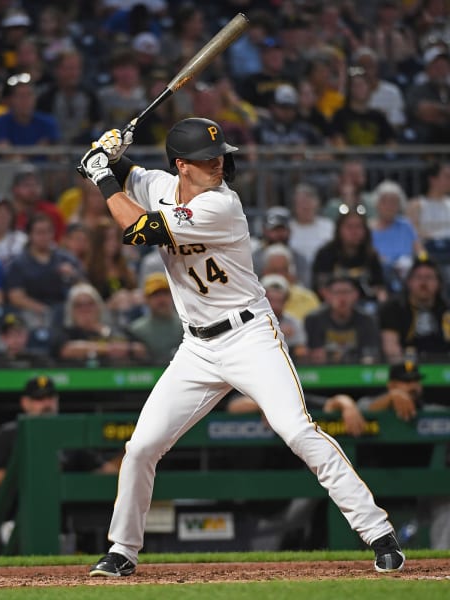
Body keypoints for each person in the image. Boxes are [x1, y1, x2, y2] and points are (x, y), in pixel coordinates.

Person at [78, 116, 405, 576]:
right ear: (180, 165)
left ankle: (379, 533)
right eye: (206, 158)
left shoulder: (221, 205)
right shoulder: (157, 184)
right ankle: (122, 550)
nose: (218, 163)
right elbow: (126, 175)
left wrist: (100, 173)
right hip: (196, 347)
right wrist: (111, 153)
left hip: (250, 336)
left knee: (296, 430)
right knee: (141, 447)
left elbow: (139, 231)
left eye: (219, 155)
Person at [0, 375, 121, 554]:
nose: (46, 404)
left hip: (63, 529)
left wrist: (132, 449)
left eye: (50, 398)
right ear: (25, 402)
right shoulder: (8, 435)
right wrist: (35, 469)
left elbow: (105, 472)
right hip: (15, 526)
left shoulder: (68, 433)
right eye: (39, 399)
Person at [357, 360, 450, 549]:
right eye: (406, 382)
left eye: (416, 381)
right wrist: (391, 397)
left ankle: (440, 561)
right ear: (391, 385)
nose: (413, 386)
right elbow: (360, 410)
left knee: (445, 497)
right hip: (376, 487)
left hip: (423, 490)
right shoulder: (371, 404)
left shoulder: (432, 411)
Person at [50, 282, 147, 366]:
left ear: (99, 307)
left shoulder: (117, 329)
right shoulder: (66, 332)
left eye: (90, 304)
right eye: (79, 305)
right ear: (71, 310)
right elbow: (66, 350)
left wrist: (127, 349)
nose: (85, 309)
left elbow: (141, 349)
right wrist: (108, 349)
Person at [311, 208, 388, 309]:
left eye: (358, 227)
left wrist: (382, 301)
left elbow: (380, 286)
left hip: (365, 305)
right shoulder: (325, 254)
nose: (354, 232)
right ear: (339, 229)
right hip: (333, 305)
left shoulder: (371, 255)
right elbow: (320, 287)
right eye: (349, 227)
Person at [378, 254, 450, 362]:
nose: (423, 283)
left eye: (429, 277)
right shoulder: (393, 309)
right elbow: (391, 348)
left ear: (439, 283)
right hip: (406, 367)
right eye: (418, 277)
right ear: (409, 282)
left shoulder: (446, 309)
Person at [304, 274, 382, 365]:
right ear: (327, 295)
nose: (342, 298)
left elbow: (371, 354)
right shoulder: (313, 320)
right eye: (337, 292)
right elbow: (311, 354)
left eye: (346, 292)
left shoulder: (367, 320)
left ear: (356, 294)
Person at [370, 180, 422, 293]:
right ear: (377, 204)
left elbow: (419, 251)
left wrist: (422, 261)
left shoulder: (406, 225)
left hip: (407, 272)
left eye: (394, 202)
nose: (389, 206)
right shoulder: (369, 229)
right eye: (385, 202)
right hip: (380, 274)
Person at [127, 272, 183, 365]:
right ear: (146, 299)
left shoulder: (186, 325)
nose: (161, 299)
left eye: (165, 293)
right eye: (155, 294)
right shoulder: (136, 330)